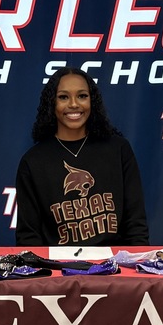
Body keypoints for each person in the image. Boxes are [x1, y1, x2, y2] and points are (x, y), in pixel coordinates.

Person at [15, 66, 149, 247]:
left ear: (92, 101)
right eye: (63, 97)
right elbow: (28, 237)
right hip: (58, 269)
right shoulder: (33, 162)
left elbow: (136, 224)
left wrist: (131, 268)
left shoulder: (118, 149)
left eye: (82, 96)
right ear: (51, 103)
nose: (73, 104)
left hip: (114, 267)